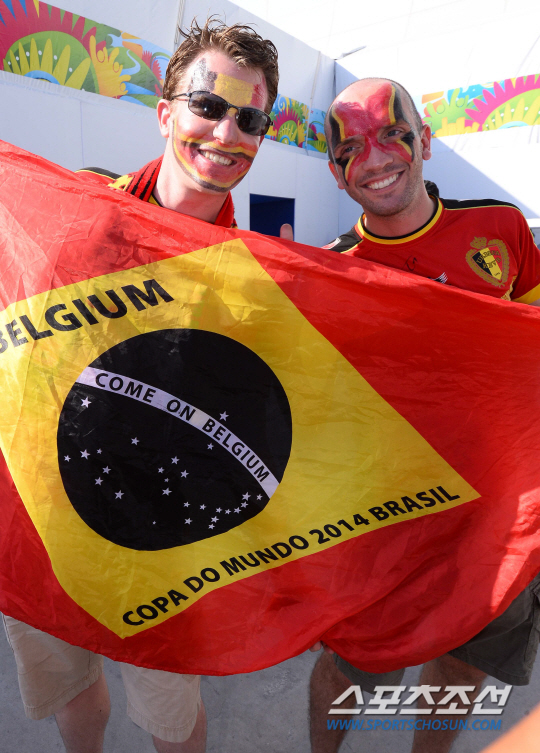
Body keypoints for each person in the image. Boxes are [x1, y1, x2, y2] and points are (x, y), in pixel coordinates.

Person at [2, 17, 278, 753]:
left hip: (166, 538)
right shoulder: (78, 208)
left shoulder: (258, 275)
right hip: (44, 516)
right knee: (68, 688)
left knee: (171, 713)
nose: (226, 132)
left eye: (249, 119)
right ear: (165, 113)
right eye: (207, 106)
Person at [309, 77, 540, 753]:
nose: (375, 158)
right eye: (351, 149)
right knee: (353, 669)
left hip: (495, 521)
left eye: (393, 134)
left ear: (426, 141)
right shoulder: (327, 271)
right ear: (336, 174)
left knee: (464, 666)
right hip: (381, 529)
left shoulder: (500, 228)